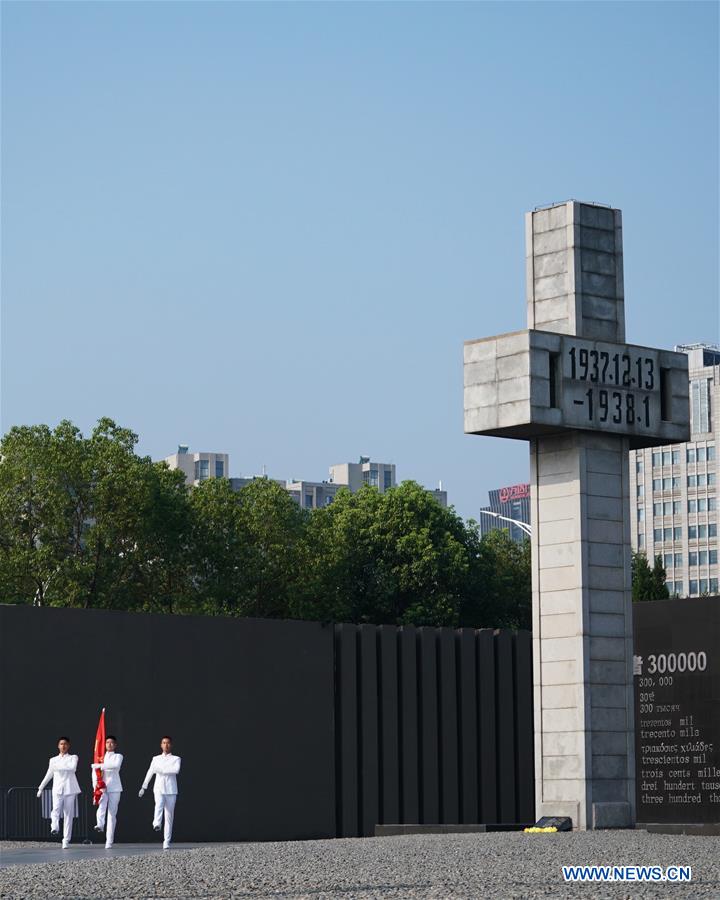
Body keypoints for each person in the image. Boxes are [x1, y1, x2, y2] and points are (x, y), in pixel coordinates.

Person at [37, 737, 81, 849]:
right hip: (57, 788)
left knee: (68, 815)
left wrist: (58, 767)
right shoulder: (53, 760)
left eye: (65, 744)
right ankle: (54, 826)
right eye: (61, 744)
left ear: (68, 746)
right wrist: (41, 788)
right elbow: (49, 774)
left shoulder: (73, 757)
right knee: (55, 809)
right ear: (58, 746)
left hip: (70, 789)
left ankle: (66, 839)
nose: (63, 746)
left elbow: (72, 768)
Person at [139, 736, 181, 850]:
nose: (166, 745)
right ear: (161, 745)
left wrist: (162, 770)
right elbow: (150, 772)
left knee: (169, 816)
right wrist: (144, 786)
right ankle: (156, 823)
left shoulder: (176, 759)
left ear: (171, 745)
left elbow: (175, 770)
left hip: (171, 790)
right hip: (158, 787)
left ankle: (166, 841)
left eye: (168, 743)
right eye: (164, 743)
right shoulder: (156, 758)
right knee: (159, 804)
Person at [91, 734, 123, 849]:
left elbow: (115, 766)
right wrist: (95, 786)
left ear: (115, 745)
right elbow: (94, 773)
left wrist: (99, 765)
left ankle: (109, 840)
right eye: (107, 742)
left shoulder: (118, 756)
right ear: (104, 744)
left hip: (114, 787)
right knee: (101, 806)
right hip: (102, 787)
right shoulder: (100, 756)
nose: (109, 744)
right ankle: (100, 824)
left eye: (111, 742)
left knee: (112, 814)